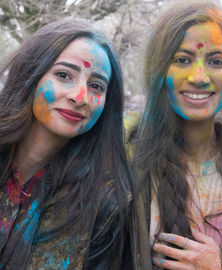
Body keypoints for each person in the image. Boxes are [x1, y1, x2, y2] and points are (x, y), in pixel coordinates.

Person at [129, 1, 222, 269]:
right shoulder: (123, 160)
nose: (199, 76)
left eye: (216, 61)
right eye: (182, 60)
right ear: (159, 68)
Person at [0, 18, 132, 269]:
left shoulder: (106, 204)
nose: (80, 97)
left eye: (96, 86)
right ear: (31, 75)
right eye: (63, 75)